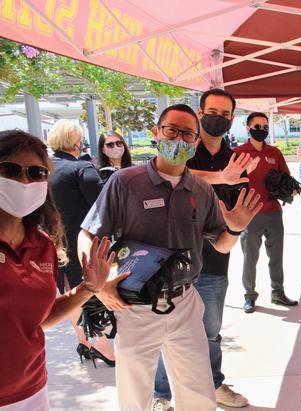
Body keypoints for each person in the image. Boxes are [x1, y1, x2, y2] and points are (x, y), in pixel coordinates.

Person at [79, 104, 263, 411]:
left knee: (198, 391)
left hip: (185, 301)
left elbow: (220, 245)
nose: (179, 139)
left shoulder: (202, 190)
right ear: (156, 133)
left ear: (195, 142)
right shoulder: (125, 182)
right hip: (134, 305)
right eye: (171, 130)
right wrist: (100, 281)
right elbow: (88, 232)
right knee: (135, 394)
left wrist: (235, 228)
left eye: (187, 133)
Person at [153, 89, 256, 409]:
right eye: (213, 111)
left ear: (232, 119)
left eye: (226, 114)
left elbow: (240, 201)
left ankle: (213, 383)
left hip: (213, 257)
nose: (219, 119)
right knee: (165, 329)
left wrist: (235, 222)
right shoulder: (184, 147)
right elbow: (168, 171)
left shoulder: (237, 159)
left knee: (210, 330)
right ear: (200, 111)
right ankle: (161, 394)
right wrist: (217, 177)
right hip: (171, 256)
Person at [0, 130, 115, 411]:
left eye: (37, 172)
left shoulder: (41, 245)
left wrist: (89, 288)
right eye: (11, 170)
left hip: (32, 388)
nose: (25, 181)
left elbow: (41, 318)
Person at [46, 120, 114, 367]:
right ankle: (103, 347)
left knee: (68, 294)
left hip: (53, 241)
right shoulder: (82, 168)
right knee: (90, 290)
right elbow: (102, 205)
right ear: (76, 142)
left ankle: (84, 342)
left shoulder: (45, 168)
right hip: (82, 241)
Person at [235, 112, 298, 312]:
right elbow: (230, 182)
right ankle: (249, 296)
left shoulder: (274, 152)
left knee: (276, 255)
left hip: (273, 211)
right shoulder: (238, 152)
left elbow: (286, 177)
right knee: (250, 258)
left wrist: (291, 189)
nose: (261, 130)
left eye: (264, 126)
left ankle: (278, 293)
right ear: (248, 128)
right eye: (257, 126)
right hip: (250, 213)